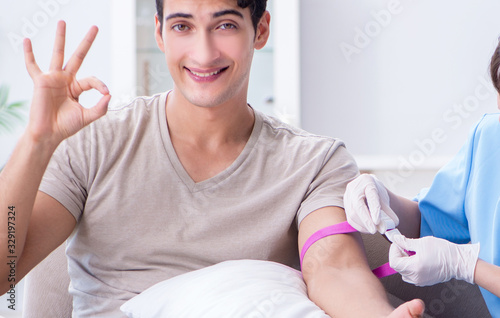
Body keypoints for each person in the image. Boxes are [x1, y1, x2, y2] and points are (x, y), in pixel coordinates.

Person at [0, 0, 424, 317]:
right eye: (183, 26)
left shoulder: (314, 161)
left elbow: (334, 266)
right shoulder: (94, 141)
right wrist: (37, 140)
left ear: (260, 30)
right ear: (160, 33)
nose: (204, 54)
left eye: (224, 25)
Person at [344, 39, 500, 318]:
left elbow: (457, 262)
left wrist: (467, 265)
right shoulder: (491, 137)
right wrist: (382, 197)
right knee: (355, 237)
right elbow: (429, 220)